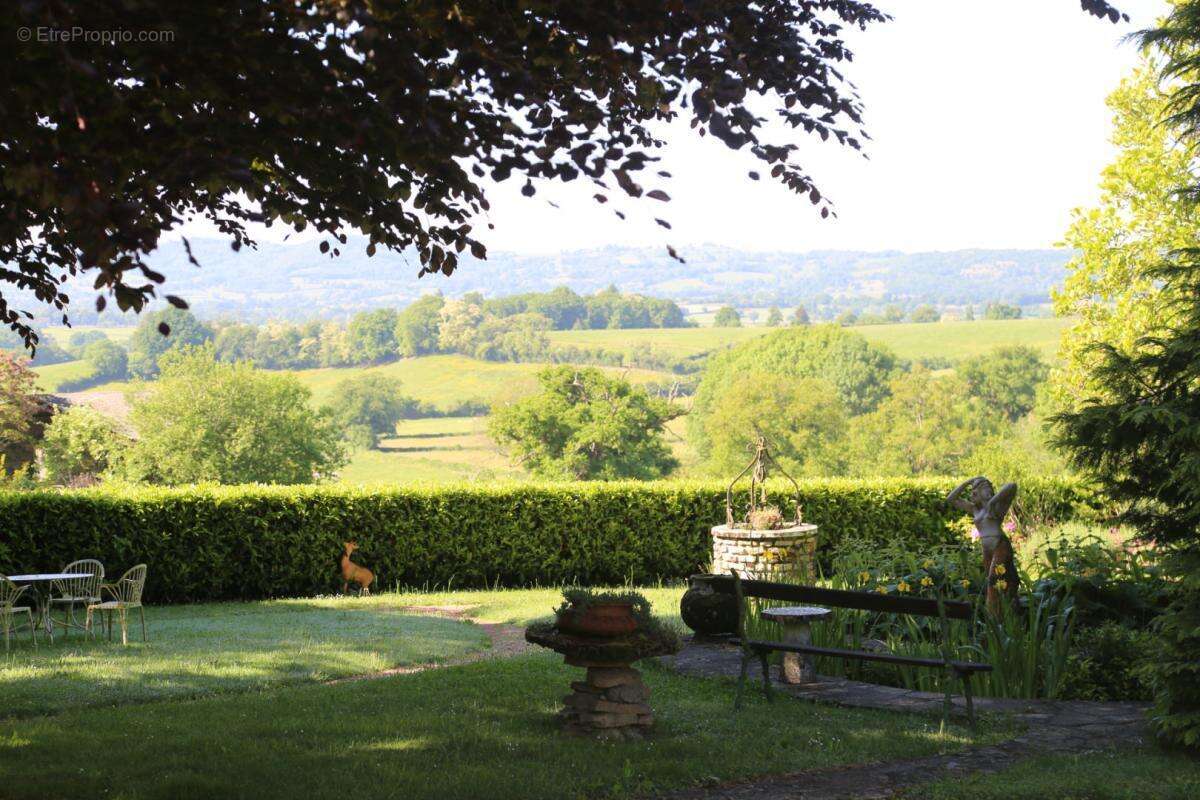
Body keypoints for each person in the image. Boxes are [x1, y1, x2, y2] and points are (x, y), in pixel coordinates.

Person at [946, 476, 1019, 613]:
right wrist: (968, 481)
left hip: (999, 546)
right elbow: (951, 499)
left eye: (975, 492)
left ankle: (994, 618)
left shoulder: (997, 508)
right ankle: (1005, 612)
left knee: (993, 582)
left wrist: (992, 501)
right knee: (995, 583)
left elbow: (1012, 485)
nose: (972, 495)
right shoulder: (975, 509)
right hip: (987, 550)